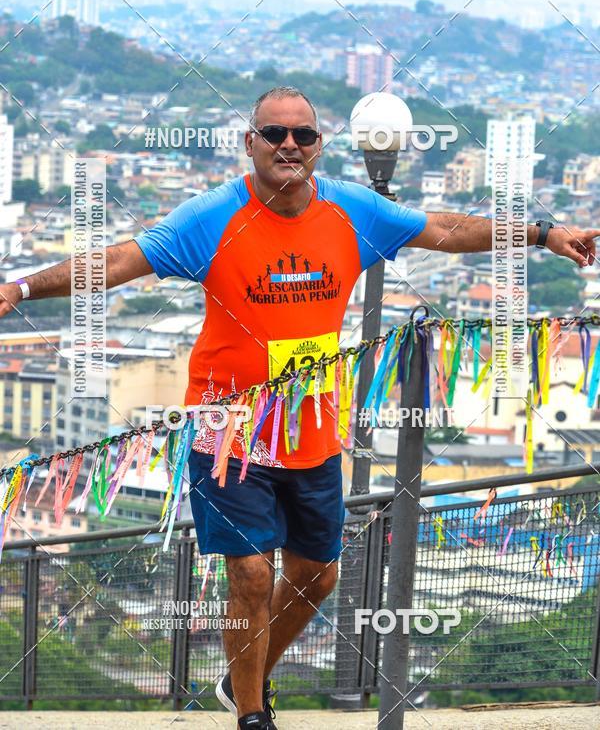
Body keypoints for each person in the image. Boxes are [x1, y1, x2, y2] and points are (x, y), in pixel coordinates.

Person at [1, 86, 598, 729]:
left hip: (311, 428)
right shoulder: (212, 218)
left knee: (317, 576)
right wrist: (21, 287)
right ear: (250, 142)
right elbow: (120, 259)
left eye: (304, 135)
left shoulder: (353, 210)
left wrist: (543, 234)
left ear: (319, 145)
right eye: (275, 134)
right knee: (252, 574)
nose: (289, 145)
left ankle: (242, 676)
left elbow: (446, 230)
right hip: (228, 428)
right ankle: (252, 714)